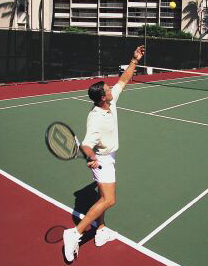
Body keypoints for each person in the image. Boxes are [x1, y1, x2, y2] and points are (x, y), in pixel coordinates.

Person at [63, 45, 145, 262]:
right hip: (102, 160)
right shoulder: (96, 118)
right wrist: (91, 158)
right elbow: (87, 144)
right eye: (108, 90)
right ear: (102, 98)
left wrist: (134, 60)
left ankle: (101, 230)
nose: (112, 89)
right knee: (109, 200)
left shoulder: (110, 101)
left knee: (101, 196)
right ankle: (75, 233)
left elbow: (124, 80)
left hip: (109, 157)